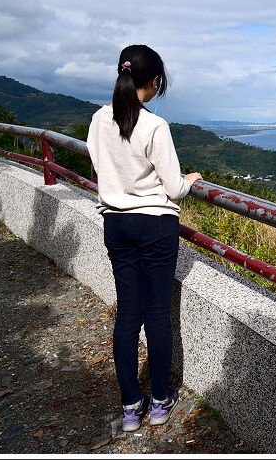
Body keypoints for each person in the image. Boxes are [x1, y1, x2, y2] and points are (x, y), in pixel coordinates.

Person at [86, 44, 203, 432]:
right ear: (153, 82)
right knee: (156, 314)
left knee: (128, 313)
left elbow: (102, 167)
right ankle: (159, 401)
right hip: (154, 225)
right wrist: (188, 182)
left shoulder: (98, 120)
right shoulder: (155, 126)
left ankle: (130, 406)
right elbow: (172, 187)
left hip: (116, 224)